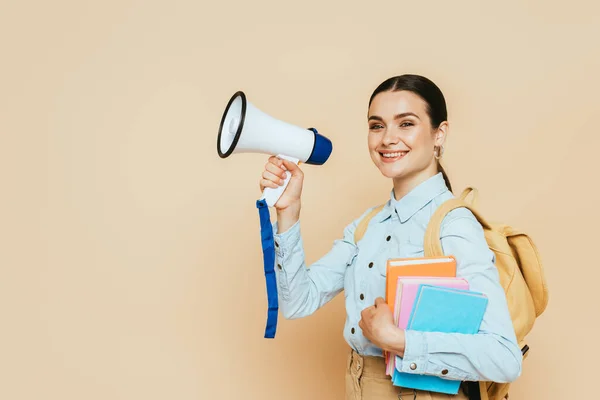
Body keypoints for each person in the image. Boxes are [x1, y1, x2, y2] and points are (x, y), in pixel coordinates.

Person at [258, 74, 522, 400]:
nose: (387, 139)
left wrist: (399, 341)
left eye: (406, 124)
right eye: (377, 125)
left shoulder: (453, 225)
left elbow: (505, 358)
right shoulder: (367, 225)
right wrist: (288, 211)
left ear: (439, 134)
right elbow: (298, 303)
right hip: (358, 386)